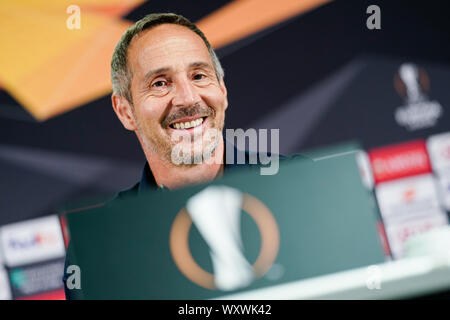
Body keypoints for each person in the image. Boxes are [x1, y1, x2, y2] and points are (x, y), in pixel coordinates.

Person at [63, 12, 290, 299]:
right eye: (160, 83)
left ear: (222, 90)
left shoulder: (304, 188)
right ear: (125, 111)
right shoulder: (97, 246)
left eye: (198, 76)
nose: (188, 98)